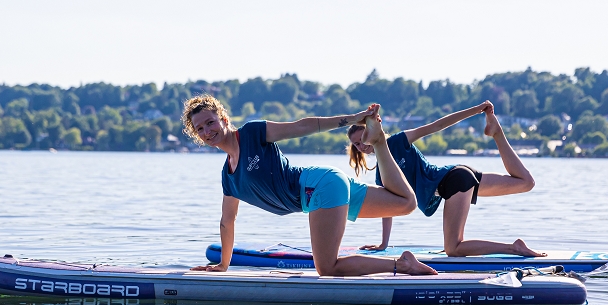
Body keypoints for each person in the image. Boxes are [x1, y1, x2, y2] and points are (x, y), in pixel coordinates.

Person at [183, 95, 436, 276]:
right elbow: (227, 221)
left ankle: (402, 265)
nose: (207, 131)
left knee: (327, 267)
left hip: (319, 187)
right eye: (200, 128)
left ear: (224, 119)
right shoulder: (228, 176)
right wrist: (223, 265)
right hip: (325, 183)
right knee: (405, 204)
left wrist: (353, 119)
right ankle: (379, 142)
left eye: (210, 122)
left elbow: (302, 126)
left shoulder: (251, 133)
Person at [348, 100, 543, 258]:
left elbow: (437, 126)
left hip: (453, 179)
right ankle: (497, 133)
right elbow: (387, 208)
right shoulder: (382, 172)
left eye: (363, 137)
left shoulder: (398, 141)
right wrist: (383, 244)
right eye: (356, 144)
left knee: (453, 249)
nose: (362, 145)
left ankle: (514, 248)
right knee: (525, 182)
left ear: (373, 128)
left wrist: (476, 110)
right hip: (457, 177)